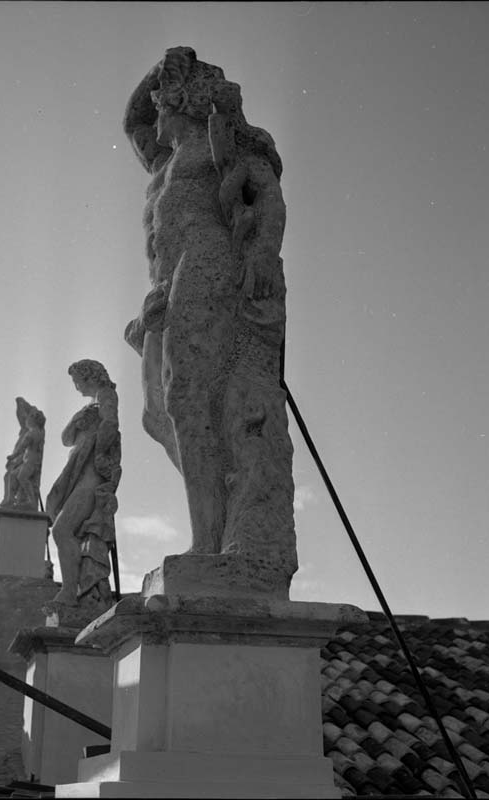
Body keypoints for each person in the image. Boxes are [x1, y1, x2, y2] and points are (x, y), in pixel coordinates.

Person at [123, 47, 297, 585]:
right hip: (168, 285)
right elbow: (132, 122)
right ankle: (217, 526)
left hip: (208, 267)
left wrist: (264, 252)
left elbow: (267, 199)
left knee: (188, 398)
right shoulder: (164, 163)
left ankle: (212, 540)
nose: (154, 116)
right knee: (161, 412)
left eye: (162, 103)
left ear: (182, 102)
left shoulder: (221, 146)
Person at [45, 360, 121, 615]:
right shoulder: (90, 405)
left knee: (62, 530)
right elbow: (67, 439)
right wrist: (77, 419)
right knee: (66, 531)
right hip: (77, 476)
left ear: (89, 376)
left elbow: (111, 425)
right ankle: (74, 591)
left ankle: (70, 592)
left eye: (77, 380)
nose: (76, 387)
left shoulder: (107, 395)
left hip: (91, 479)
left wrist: (100, 454)